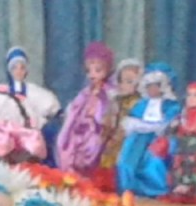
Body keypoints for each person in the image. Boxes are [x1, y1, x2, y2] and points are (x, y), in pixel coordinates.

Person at [115, 62, 181, 197]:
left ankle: (156, 189)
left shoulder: (170, 105)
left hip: (159, 138)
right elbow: (132, 120)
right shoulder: (141, 104)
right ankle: (129, 187)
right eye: (149, 85)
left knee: (154, 161)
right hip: (139, 138)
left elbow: (168, 123)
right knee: (127, 159)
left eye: (155, 85)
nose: (152, 89)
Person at [55, 41, 114, 176]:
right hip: (81, 126)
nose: (92, 75)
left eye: (97, 70)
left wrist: (97, 114)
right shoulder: (86, 91)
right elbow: (76, 106)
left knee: (92, 145)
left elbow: (109, 112)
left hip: (97, 129)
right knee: (68, 141)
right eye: (89, 71)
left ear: (106, 70)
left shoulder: (109, 93)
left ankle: (87, 172)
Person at [95, 58, 143, 191]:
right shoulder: (116, 100)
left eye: (129, 82)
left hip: (131, 140)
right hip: (115, 137)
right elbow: (109, 120)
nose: (123, 85)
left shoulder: (139, 103)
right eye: (121, 81)